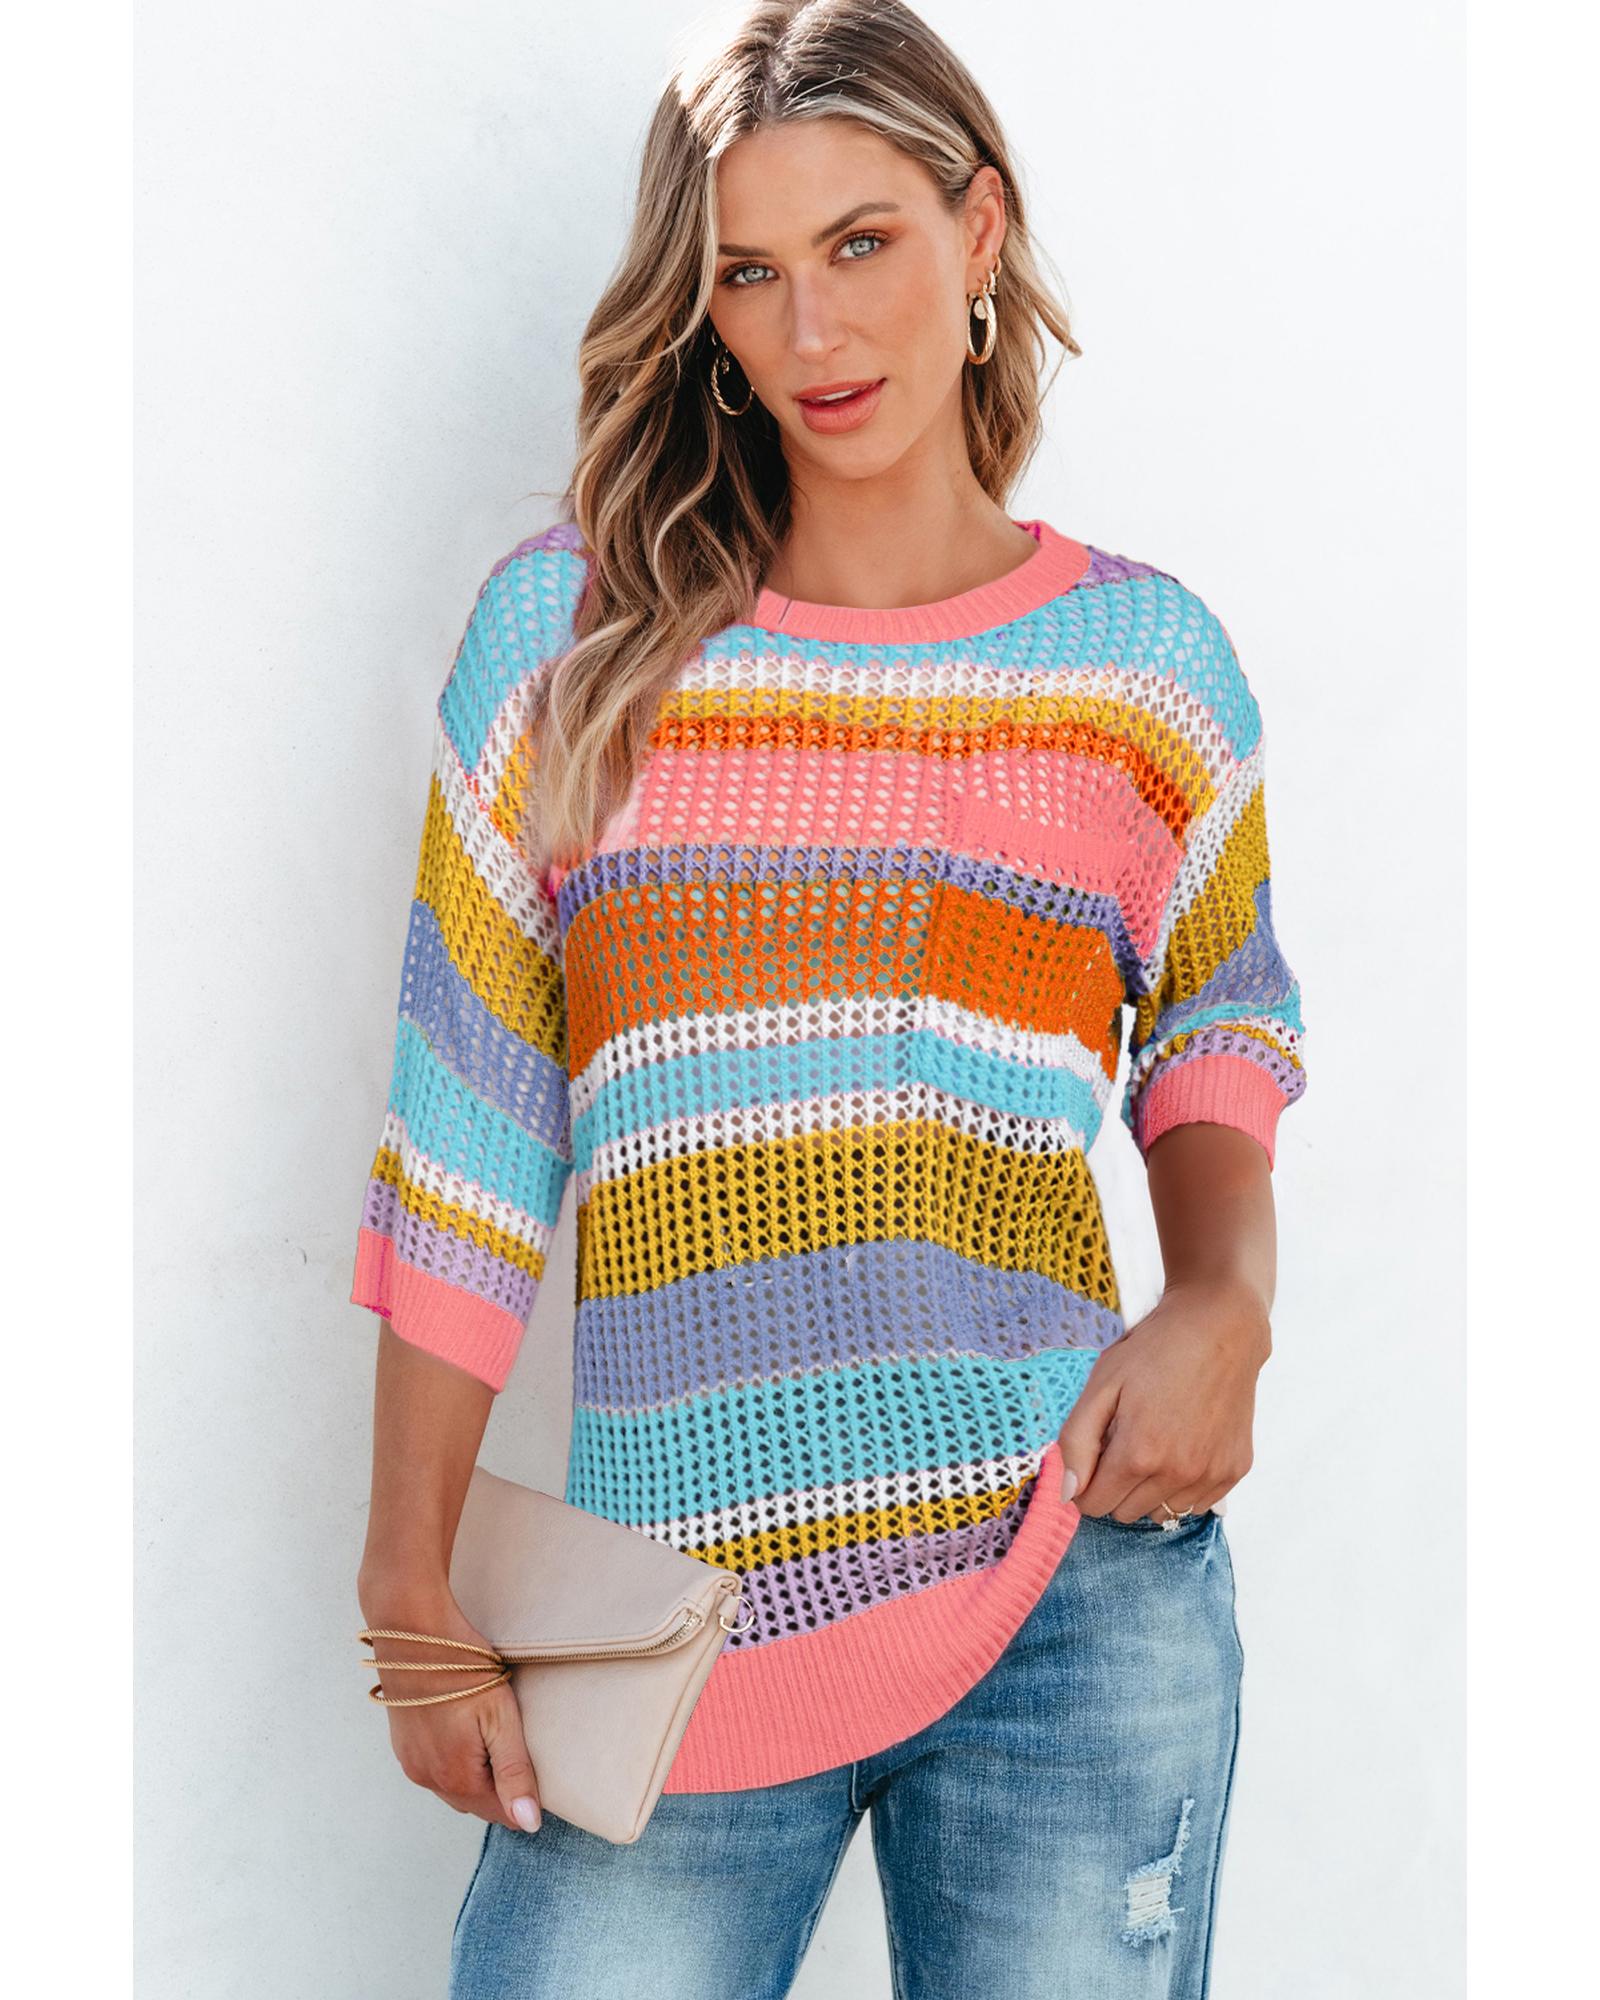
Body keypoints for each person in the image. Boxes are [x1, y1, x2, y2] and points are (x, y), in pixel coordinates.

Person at [349, 3, 1308, 1993]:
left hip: (1070, 1581)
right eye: (748, 272)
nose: (813, 330)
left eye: (861, 242)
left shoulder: (1140, 669)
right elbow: (467, 1129)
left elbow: (1218, 1022)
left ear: (979, 231)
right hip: (666, 1604)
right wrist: (407, 1580)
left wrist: (1224, 1301)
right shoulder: (571, 645)